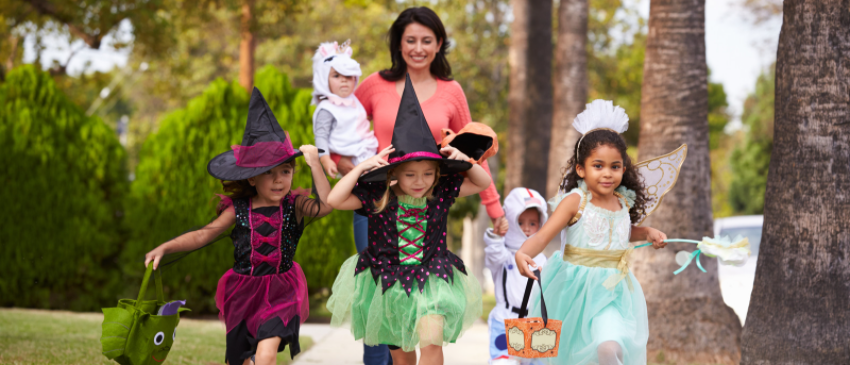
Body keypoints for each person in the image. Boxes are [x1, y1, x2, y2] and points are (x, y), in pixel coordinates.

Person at [352, 8, 507, 363]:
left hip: (428, 204)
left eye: (426, 40)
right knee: (381, 297)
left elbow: (472, 151)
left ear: (439, 44)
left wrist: (494, 208)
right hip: (377, 203)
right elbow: (342, 124)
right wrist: (345, 163)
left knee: (424, 302)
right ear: (398, 43)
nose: (418, 48)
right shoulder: (375, 85)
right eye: (410, 40)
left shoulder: (451, 92)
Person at [144, 88, 332, 365]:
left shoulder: (296, 205)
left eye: (285, 171)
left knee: (266, 355)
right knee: (241, 360)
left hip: (283, 291)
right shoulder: (239, 210)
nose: (279, 180)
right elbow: (202, 235)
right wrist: (166, 247)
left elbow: (326, 205)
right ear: (252, 178)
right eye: (268, 173)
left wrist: (315, 164)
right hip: (243, 293)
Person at [326, 75, 491, 365]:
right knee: (403, 360)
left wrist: (463, 159)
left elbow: (480, 182)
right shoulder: (379, 197)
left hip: (432, 283)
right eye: (410, 174)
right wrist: (363, 166)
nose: (420, 181)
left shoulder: (440, 194)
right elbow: (334, 200)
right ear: (394, 173)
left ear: (437, 174)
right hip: (388, 285)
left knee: (431, 345)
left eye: (428, 173)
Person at [515, 100, 670, 365]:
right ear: (581, 170)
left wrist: (646, 232)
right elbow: (543, 235)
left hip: (613, 289)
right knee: (574, 355)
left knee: (609, 348)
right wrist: (523, 253)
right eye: (598, 166)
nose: (607, 174)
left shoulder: (622, 202)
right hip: (574, 288)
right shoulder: (576, 201)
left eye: (615, 166)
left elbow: (620, 230)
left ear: (624, 168)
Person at [483, 188, 548, 365]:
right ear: (510, 221)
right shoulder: (504, 255)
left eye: (533, 223)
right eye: (520, 222)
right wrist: (496, 235)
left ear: (542, 223)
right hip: (506, 320)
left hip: (536, 324)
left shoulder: (543, 259)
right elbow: (494, 252)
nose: (526, 228)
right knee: (504, 362)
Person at [311, 39, 378, 178]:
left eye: (348, 76)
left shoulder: (354, 100)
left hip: (367, 151)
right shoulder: (327, 109)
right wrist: (325, 159)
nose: (343, 80)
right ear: (324, 79)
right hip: (350, 157)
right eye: (336, 76)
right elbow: (321, 136)